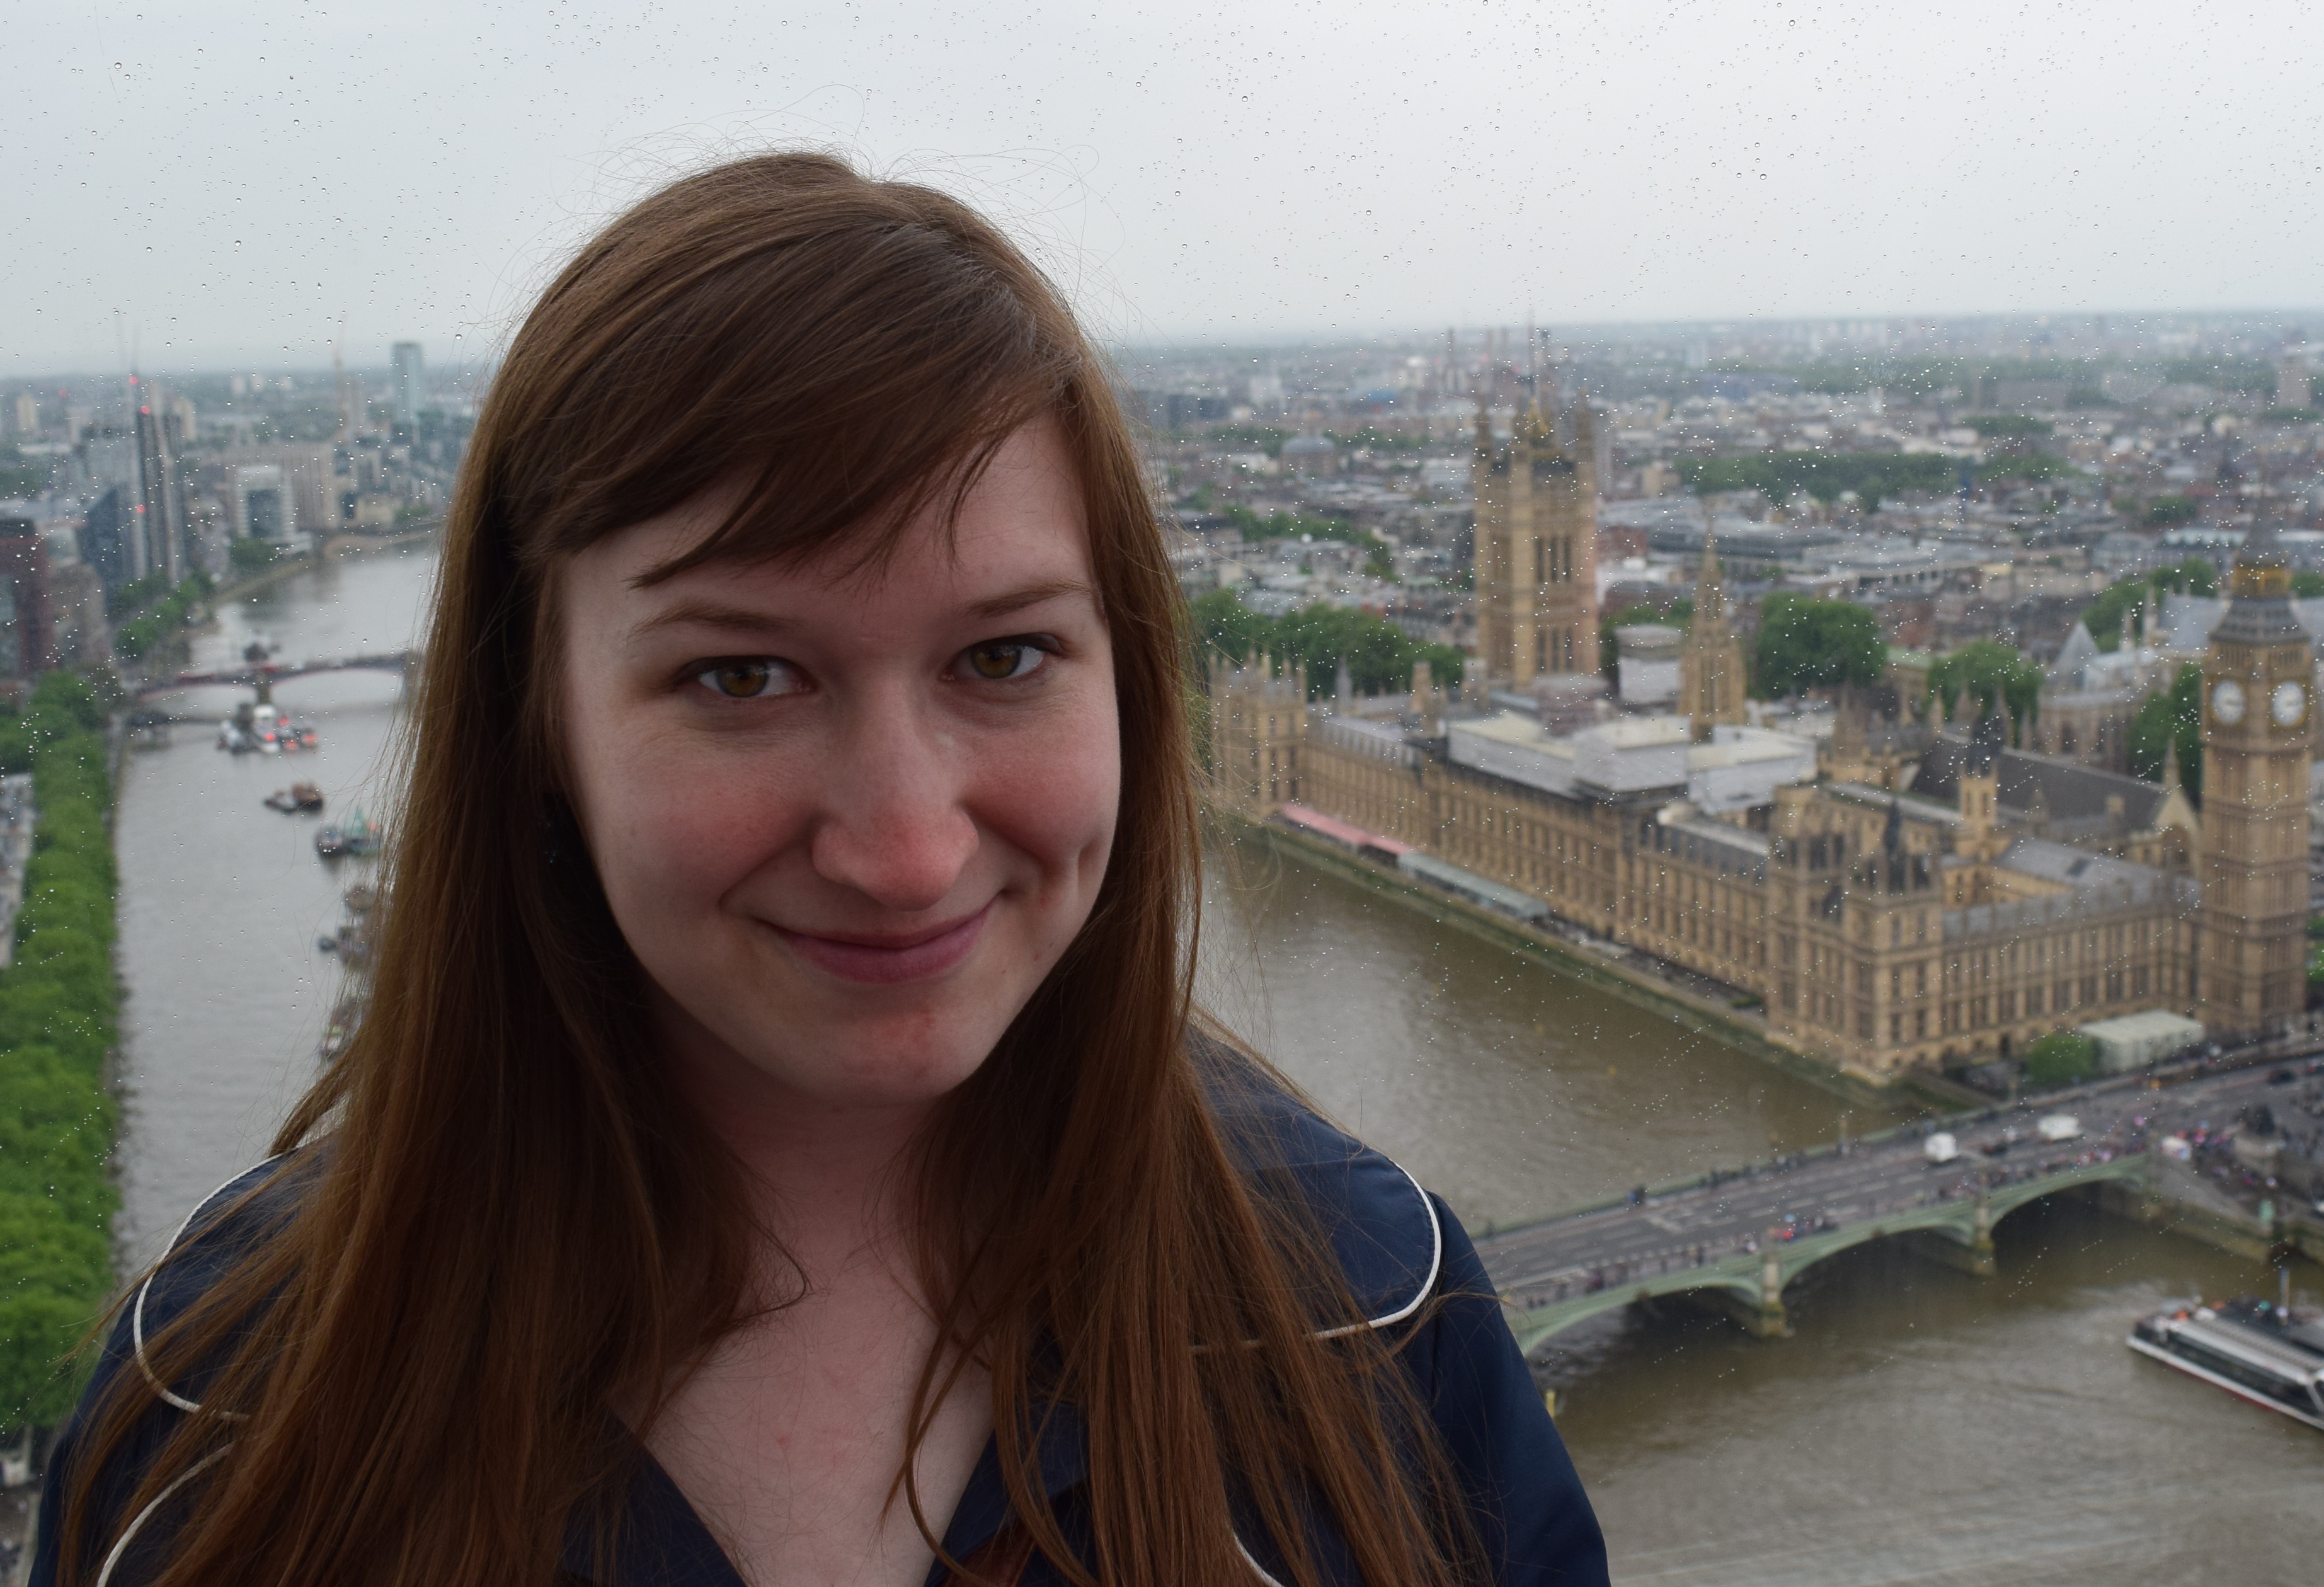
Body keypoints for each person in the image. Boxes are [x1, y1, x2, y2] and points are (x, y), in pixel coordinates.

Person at [36, 154, 1610, 1587]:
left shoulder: (1379, 1317)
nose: (906, 847)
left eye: (1003, 653)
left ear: (1128, 678)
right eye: (741, 678)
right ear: (534, 725)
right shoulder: (210, 1427)